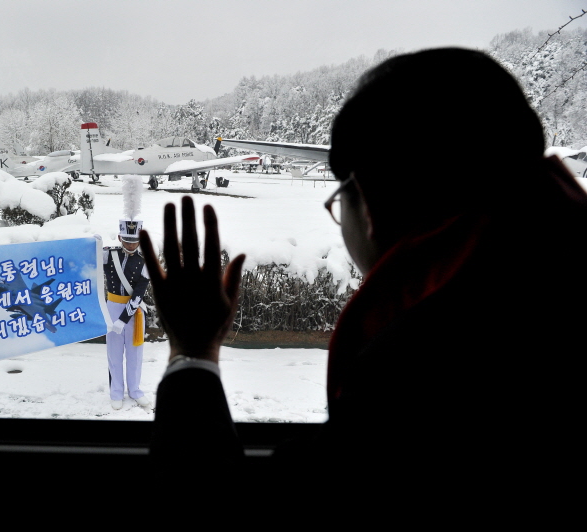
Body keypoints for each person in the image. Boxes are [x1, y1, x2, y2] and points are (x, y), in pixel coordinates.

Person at [140, 48, 587, 502]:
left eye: (340, 203)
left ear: (368, 203)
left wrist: (191, 353)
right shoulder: (542, 295)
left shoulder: (415, 376)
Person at [103, 218, 151, 410]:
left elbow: (139, 293)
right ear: (119, 237)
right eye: (127, 239)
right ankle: (116, 391)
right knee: (114, 354)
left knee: (135, 354)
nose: (131, 244)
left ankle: (135, 390)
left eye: (135, 240)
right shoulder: (108, 255)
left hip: (134, 311)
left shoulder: (144, 262)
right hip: (112, 306)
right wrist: (93, 245)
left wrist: (124, 319)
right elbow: (86, 262)